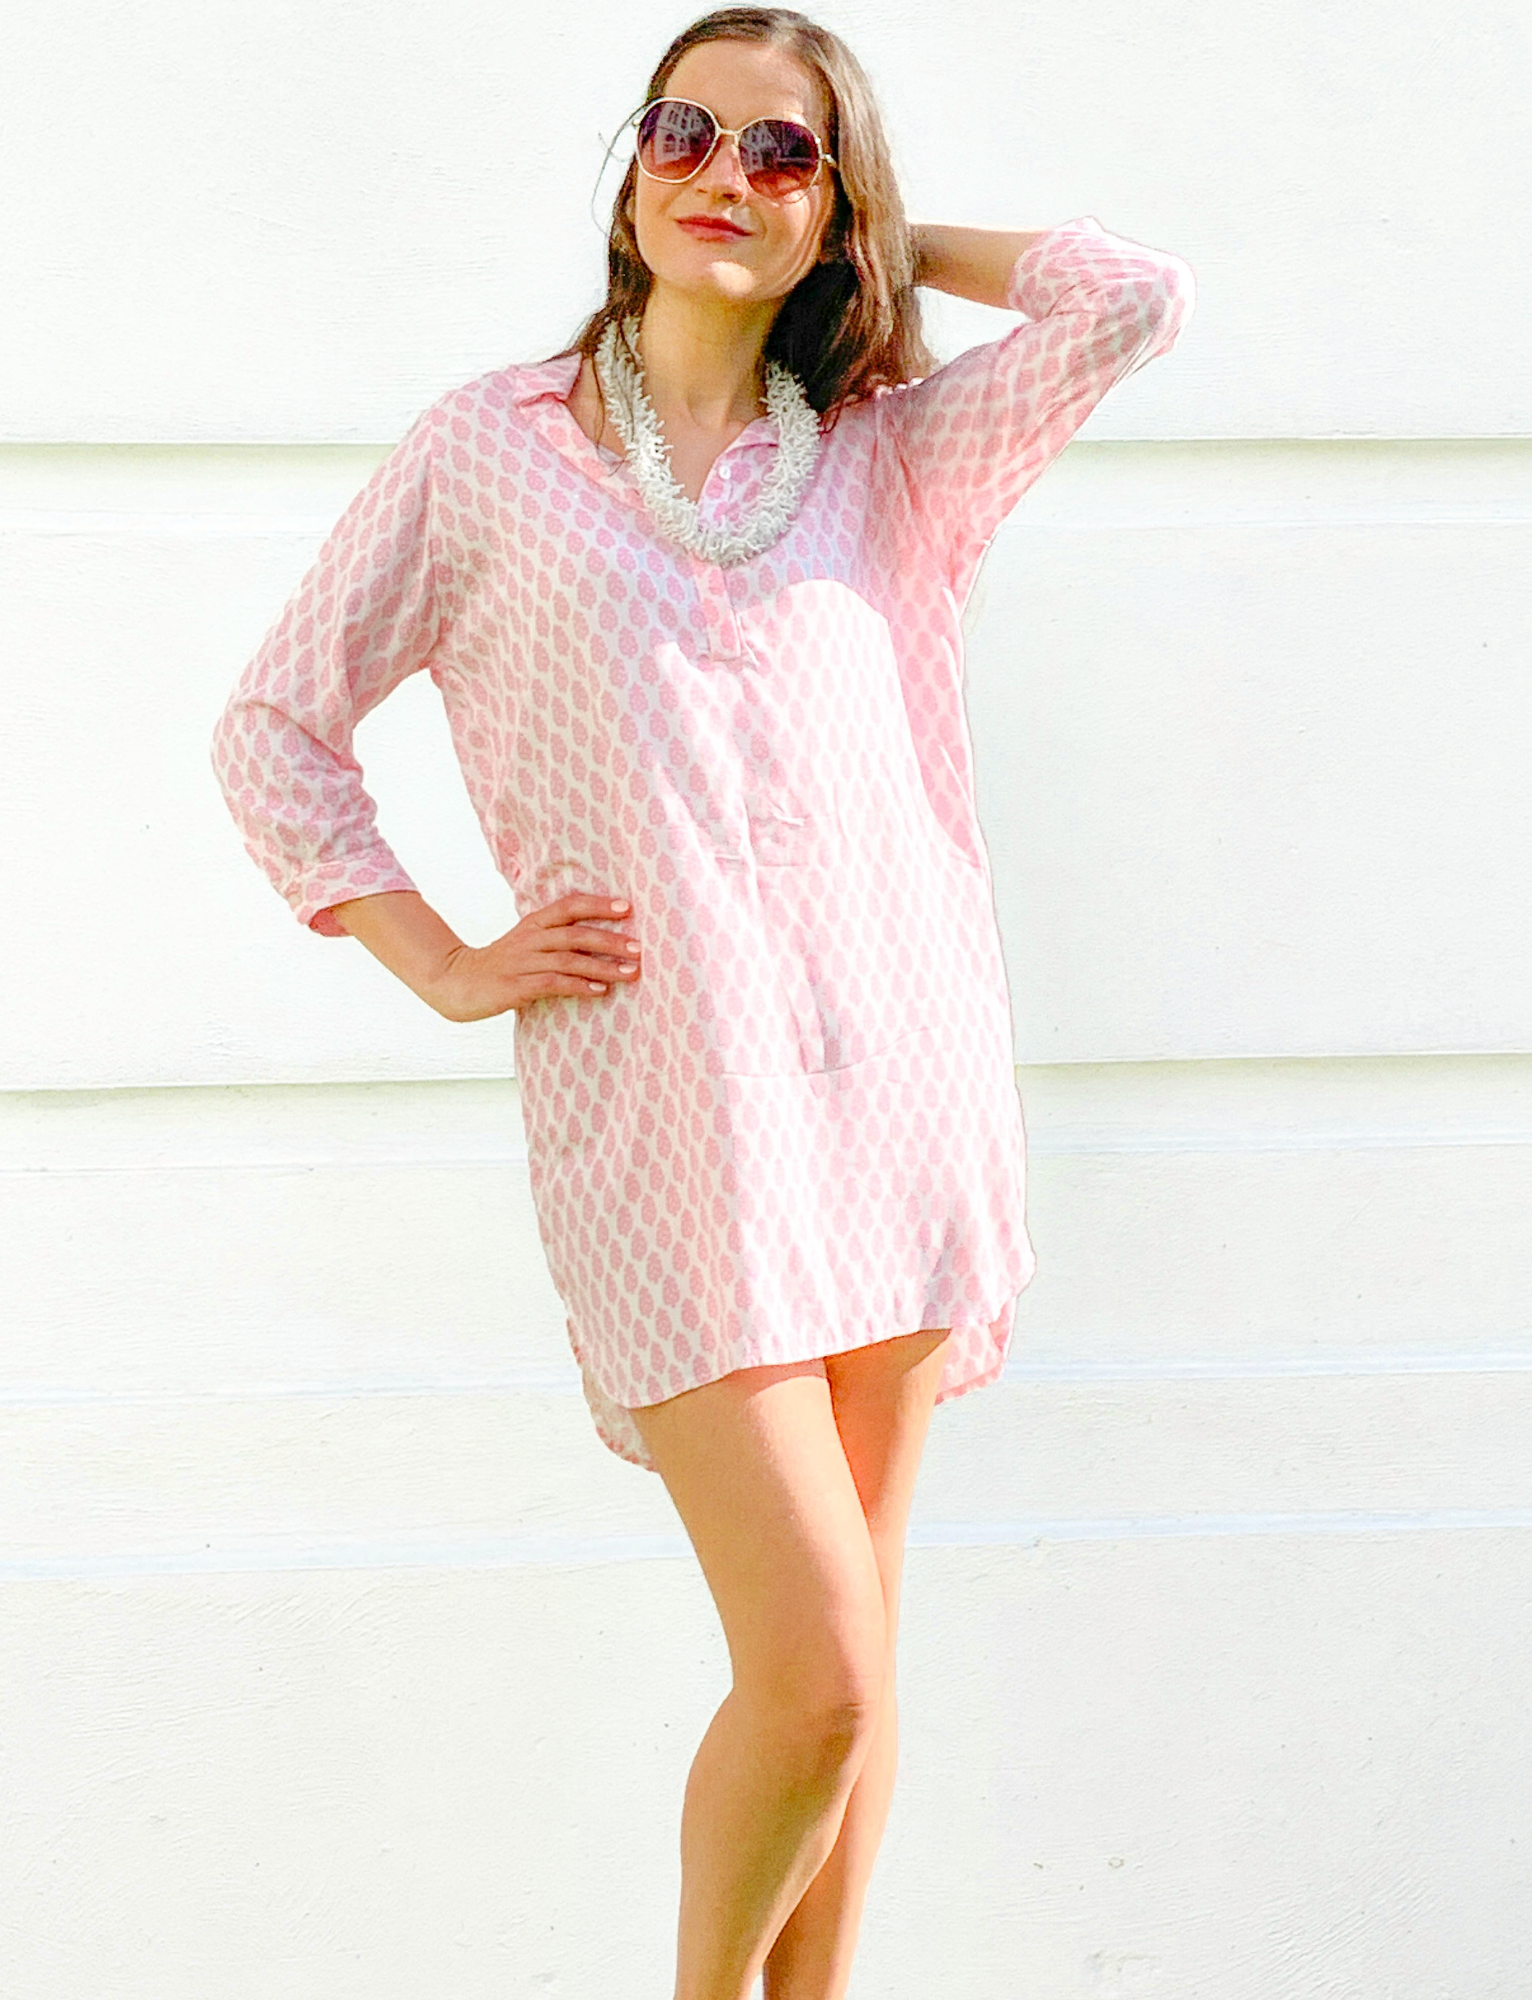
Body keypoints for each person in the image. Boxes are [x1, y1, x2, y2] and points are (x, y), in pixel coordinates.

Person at [210, 7, 1195, 1994]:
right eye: (684, 131)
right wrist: (439, 958)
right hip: (673, 1127)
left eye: (782, 153)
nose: (723, 175)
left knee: (869, 1648)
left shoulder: (895, 460)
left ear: (838, 214)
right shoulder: (486, 453)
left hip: (898, 1091)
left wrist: (900, 248)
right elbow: (273, 729)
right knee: (813, 1670)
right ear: (627, 177)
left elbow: (1129, 302)